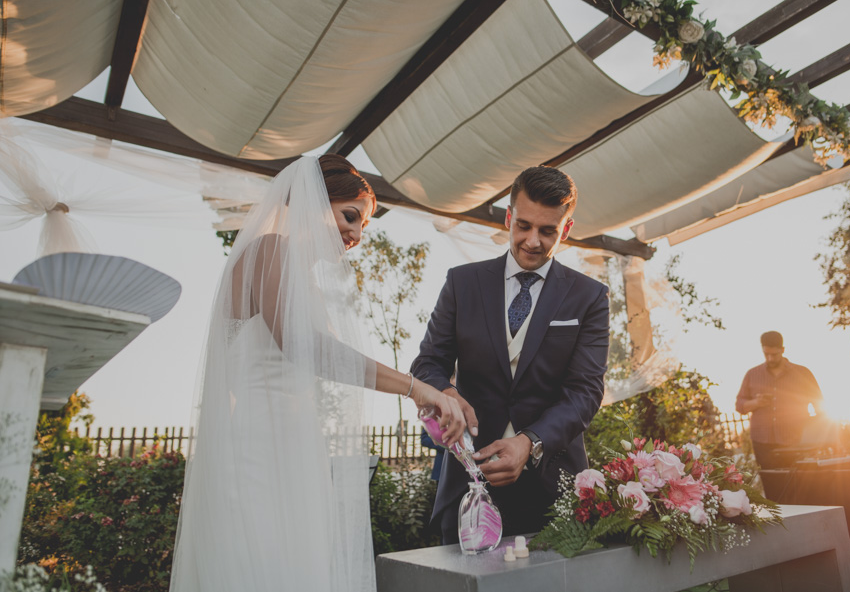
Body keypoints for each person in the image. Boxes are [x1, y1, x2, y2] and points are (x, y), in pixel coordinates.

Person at [168, 155, 464, 592]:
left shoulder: (298, 275)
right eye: (350, 216)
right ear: (312, 201)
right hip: (259, 446)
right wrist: (415, 387)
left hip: (292, 444)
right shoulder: (271, 249)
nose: (357, 235)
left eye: (364, 226)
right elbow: (308, 348)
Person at [411, 165, 610, 543]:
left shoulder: (590, 297)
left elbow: (585, 392)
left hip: (553, 488)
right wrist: (446, 394)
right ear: (508, 218)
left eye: (547, 230)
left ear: (565, 229)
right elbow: (428, 363)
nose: (533, 241)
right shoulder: (461, 283)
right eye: (524, 226)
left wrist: (529, 442)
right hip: (468, 485)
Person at [735, 330, 824, 470]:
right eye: (766, 354)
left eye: (774, 354)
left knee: (801, 484)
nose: (770, 358)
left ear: (782, 350)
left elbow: (819, 404)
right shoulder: (752, 374)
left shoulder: (802, 372)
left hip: (797, 440)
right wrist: (756, 403)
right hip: (762, 441)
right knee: (772, 485)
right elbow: (739, 405)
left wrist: (813, 433)